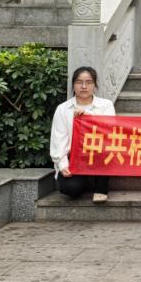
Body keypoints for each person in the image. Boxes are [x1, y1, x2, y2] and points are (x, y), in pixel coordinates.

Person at [49, 66, 116, 203]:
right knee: (70, 189)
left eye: (89, 82)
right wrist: (63, 165)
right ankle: (85, 180)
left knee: (106, 149)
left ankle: (101, 188)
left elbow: (109, 131)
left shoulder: (106, 105)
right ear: (73, 85)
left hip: (98, 154)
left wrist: (88, 117)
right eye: (79, 82)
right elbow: (58, 140)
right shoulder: (63, 109)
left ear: (95, 85)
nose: (84, 86)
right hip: (74, 157)